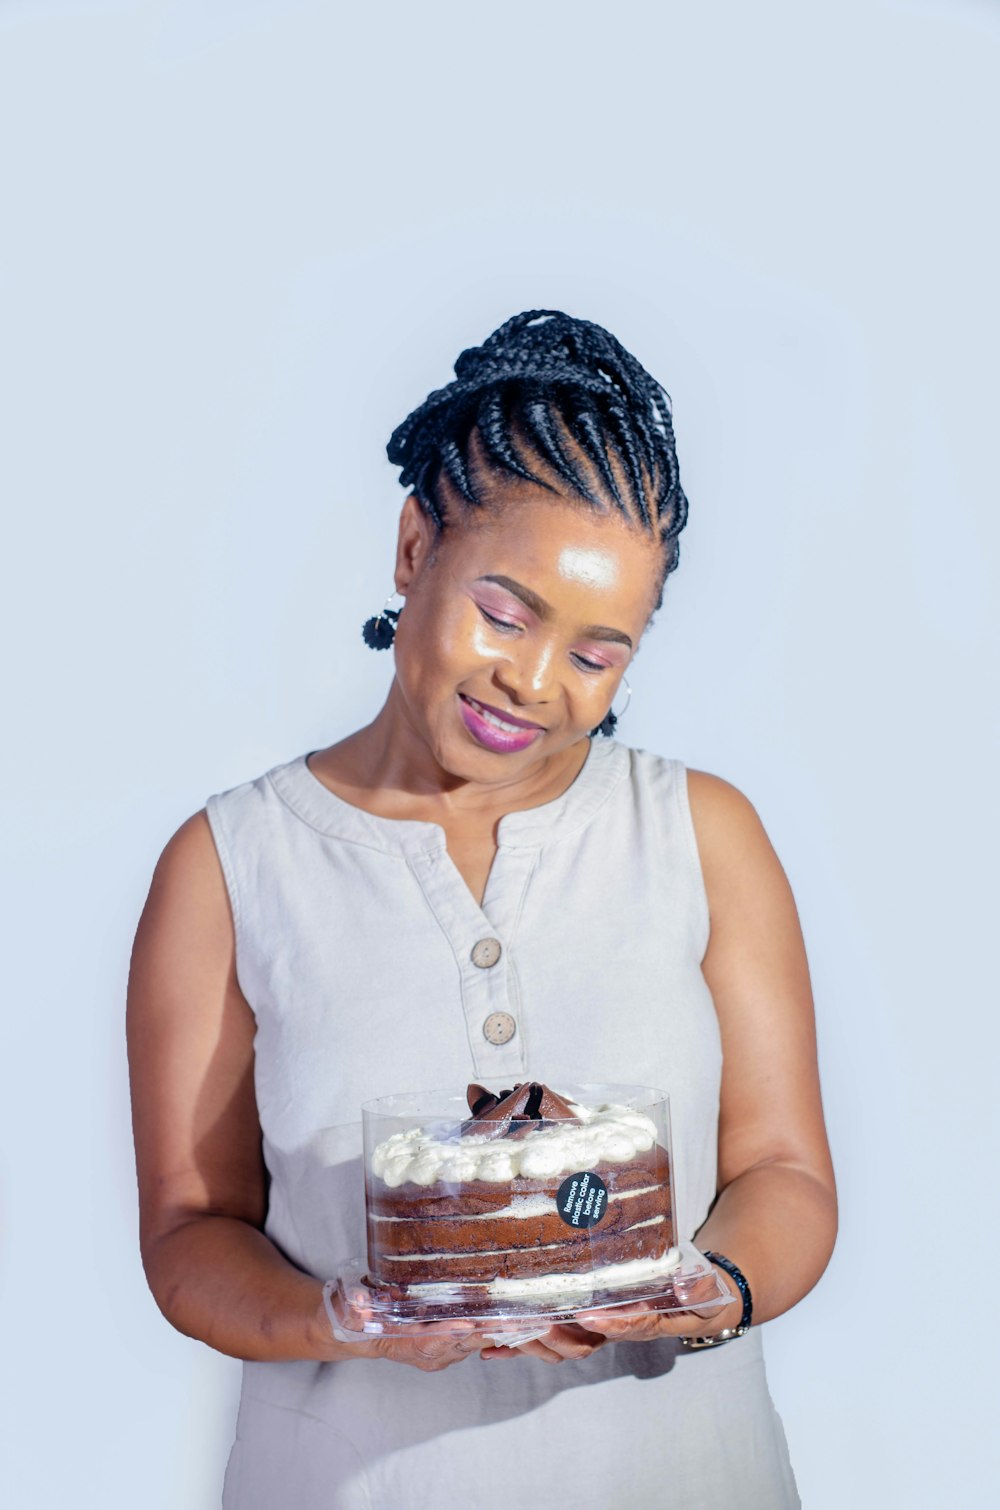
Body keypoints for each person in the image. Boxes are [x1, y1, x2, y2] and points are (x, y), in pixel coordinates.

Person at [126, 308, 837, 1508]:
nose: (533, 680)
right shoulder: (229, 865)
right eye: (504, 612)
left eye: (596, 652)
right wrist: (332, 1319)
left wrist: (713, 1285)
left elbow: (785, 1171)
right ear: (414, 549)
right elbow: (191, 1230)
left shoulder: (701, 834)